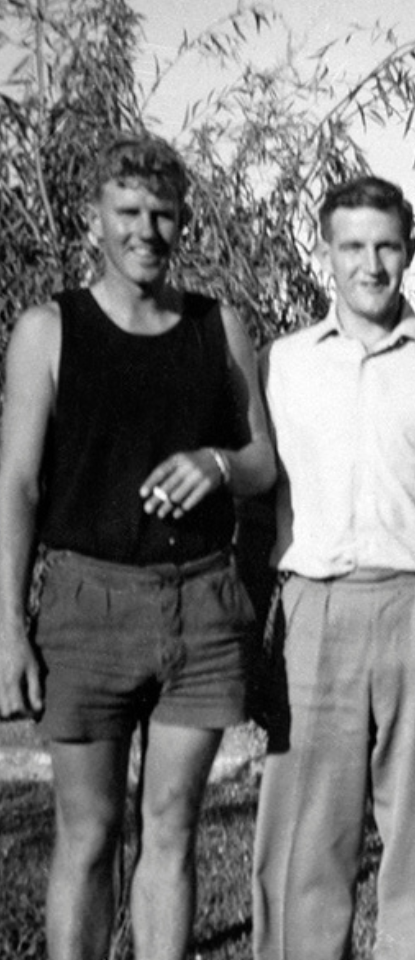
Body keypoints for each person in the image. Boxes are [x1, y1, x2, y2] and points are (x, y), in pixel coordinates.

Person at [0, 133, 275, 960]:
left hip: (199, 604)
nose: (146, 230)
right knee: (87, 835)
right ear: (96, 220)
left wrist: (218, 463)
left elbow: (265, 466)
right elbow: (15, 487)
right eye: (128, 212)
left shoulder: (216, 327)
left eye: (163, 214)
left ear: (184, 222)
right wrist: (9, 626)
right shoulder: (50, 329)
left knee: (172, 828)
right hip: (86, 603)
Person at [251, 175, 415, 960]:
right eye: (353, 246)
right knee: (304, 833)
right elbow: (260, 498)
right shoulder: (282, 362)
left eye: (386, 245)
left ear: (410, 251)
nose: (371, 264)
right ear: (324, 252)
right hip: (314, 609)